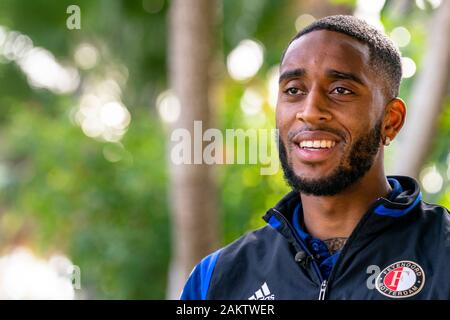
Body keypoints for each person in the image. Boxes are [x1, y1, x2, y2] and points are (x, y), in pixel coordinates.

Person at [180, 15, 450, 300]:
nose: (309, 111)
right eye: (294, 90)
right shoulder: (216, 278)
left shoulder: (442, 255)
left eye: (340, 90)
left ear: (390, 121)